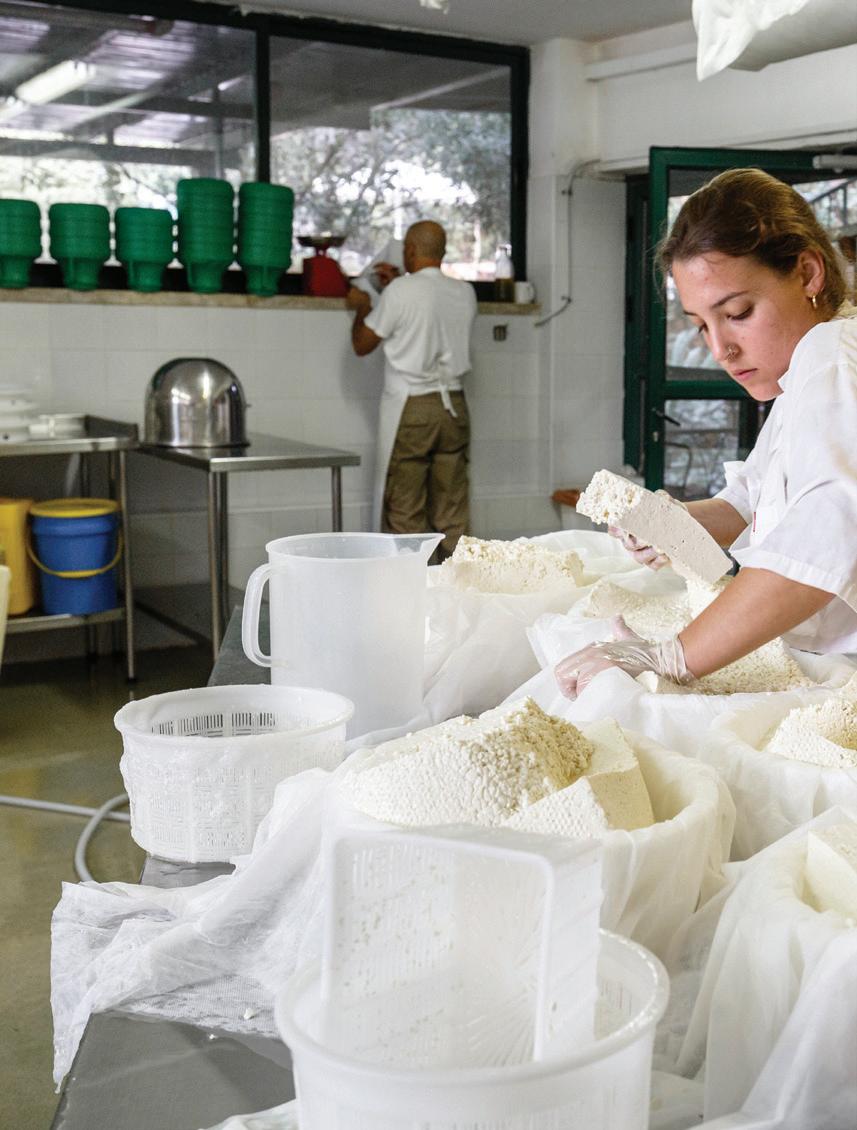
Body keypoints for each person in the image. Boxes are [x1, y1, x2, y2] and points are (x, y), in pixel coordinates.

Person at [556, 168, 857, 698]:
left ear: (808, 273)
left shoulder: (832, 357)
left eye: (738, 313)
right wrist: (671, 523)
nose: (720, 349)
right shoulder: (802, 377)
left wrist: (672, 656)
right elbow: (749, 500)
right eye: (700, 325)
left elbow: (826, 535)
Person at [345, 220, 477, 559]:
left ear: (411, 250)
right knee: (452, 511)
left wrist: (363, 305)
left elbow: (362, 344)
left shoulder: (400, 292)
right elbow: (427, 309)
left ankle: (413, 587)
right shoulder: (465, 292)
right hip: (454, 409)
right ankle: (458, 586)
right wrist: (396, 286)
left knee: (406, 511)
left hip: (413, 410)